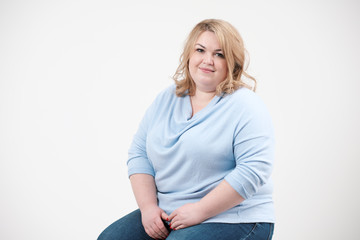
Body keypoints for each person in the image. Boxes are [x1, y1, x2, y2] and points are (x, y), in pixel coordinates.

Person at [98, 19, 275, 240]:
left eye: (219, 54)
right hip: (170, 211)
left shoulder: (246, 105)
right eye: (200, 50)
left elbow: (253, 170)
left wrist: (199, 211)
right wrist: (149, 208)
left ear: (233, 63)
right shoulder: (167, 98)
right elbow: (139, 153)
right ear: (189, 55)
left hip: (236, 216)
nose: (207, 60)